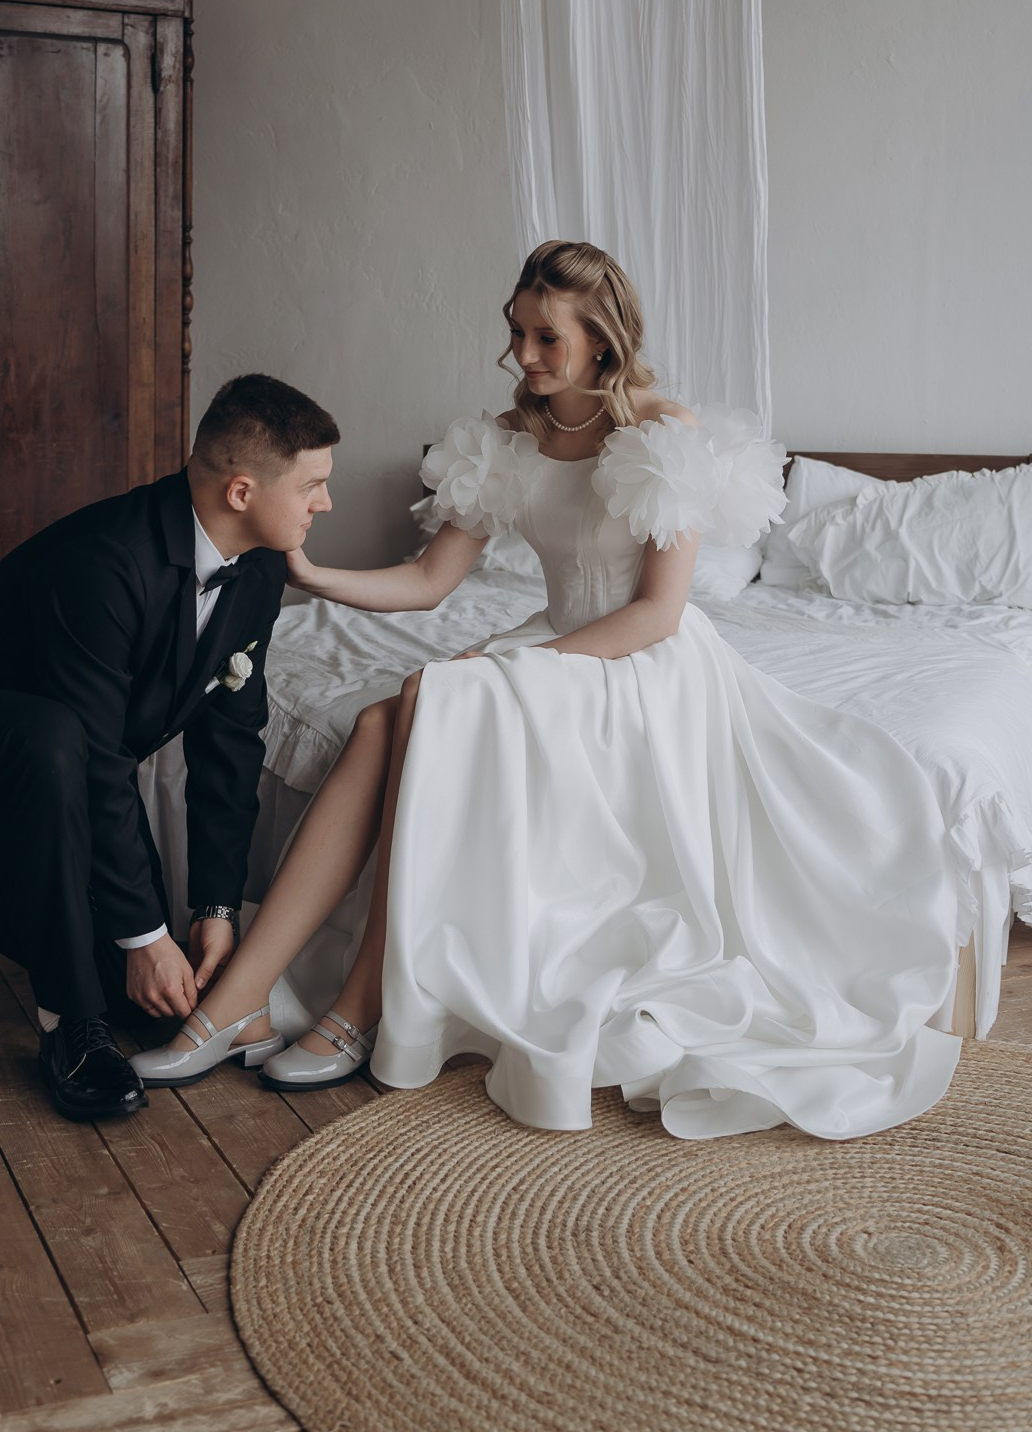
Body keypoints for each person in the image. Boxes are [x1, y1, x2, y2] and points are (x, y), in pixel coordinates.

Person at [133, 241, 963, 1141]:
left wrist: (517, 669)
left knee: (434, 698)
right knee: (383, 718)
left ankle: (355, 1005)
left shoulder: (663, 432)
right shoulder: (506, 435)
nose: (523, 355)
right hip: (549, 640)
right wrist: (311, 573)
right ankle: (242, 1001)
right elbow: (429, 581)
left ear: (600, 340)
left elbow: (656, 613)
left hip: (639, 664)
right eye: (517, 332)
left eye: (546, 338)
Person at [0, 373, 339, 1121]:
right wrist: (144, 935)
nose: (325, 503)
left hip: (62, 764)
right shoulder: (105, 559)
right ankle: (68, 1028)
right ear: (241, 491)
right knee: (55, 747)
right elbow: (95, 755)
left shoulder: (258, 567)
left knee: (143, 1006)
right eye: (312, 485)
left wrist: (215, 904)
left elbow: (230, 743)